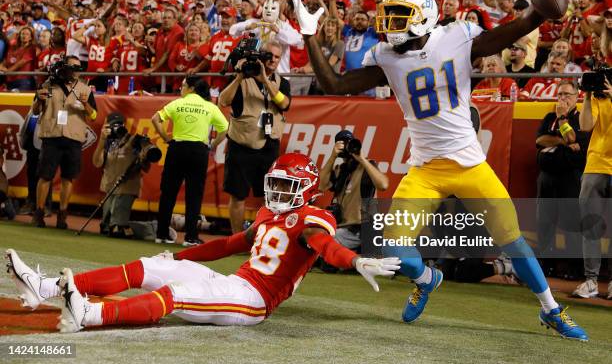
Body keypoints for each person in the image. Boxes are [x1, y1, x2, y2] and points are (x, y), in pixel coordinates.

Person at [289, 0, 589, 340]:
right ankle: (428, 279)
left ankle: (551, 310)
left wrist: (545, 6)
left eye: (399, 16)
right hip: (425, 169)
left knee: (514, 242)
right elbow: (334, 85)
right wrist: (308, 33)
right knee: (395, 252)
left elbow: (514, 30)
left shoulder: (457, 36)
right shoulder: (385, 56)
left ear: (424, 15)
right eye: (390, 15)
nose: (390, 25)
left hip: (469, 164)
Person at [5, 154, 401, 332]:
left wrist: (354, 261)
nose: (277, 191)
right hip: (235, 282)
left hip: (252, 303)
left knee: (176, 292)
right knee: (152, 267)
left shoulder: (315, 220)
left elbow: (324, 245)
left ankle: (89, 316)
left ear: (306, 189)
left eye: (286, 186)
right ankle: (42, 289)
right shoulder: (267, 215)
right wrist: (179, 255)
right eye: (274, 184)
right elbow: (226, 245)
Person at [218, 40, 290, 234]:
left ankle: (265, 236)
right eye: (269, 56)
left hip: (269, 146)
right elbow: (223, 100)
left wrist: (266, 80)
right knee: (237, 194)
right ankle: (237, 238)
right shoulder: (242, 79)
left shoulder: (282, 83)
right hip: (241, 144)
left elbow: (284, 104)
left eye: (277, 57)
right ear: (260, 56)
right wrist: (240, 76)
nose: (273, 60)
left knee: (270, 196)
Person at [152, 77, 228, 246]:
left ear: (192, 88)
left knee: (168, 193)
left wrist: (166, 138)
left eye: (184, 85)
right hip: (198, 151)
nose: (181, 87)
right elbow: (225, 129)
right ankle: (190, 237)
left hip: (177, 149)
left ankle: (161, 234)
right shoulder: (210, 107)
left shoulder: (177, 104)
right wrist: (212, 145)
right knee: (194, 196)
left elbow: (155, 119)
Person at [31, 55, 97, 229]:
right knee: (45, 176)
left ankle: (62, 215)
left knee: (68, 178)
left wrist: (85, 104)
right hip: (51, 135)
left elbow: (94, 115)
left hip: (73, 138)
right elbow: (35, 111)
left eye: (78, 68)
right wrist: (39, 99)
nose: (75, 71)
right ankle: (39, 213)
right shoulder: (47, 85)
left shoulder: (85, 89)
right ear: (64, 67)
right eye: (72, 67)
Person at [535, 81, 588, 278]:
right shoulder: (549, 117)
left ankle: (575, 269)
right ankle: (544, 266)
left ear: (576, 97)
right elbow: (539, 140)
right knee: (544, 222)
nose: (562, 98)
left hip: (570, 176)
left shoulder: (582, 118)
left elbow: (577, 144)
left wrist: (563, 119)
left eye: (567, 94)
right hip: (546, 176)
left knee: (572, 223)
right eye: (559, 94)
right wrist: (562, 141)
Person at [319, 130, 388, 254]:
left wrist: (362, 159)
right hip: (341, 228)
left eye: (348, 143)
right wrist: (332, 157)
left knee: (325, 240)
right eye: (342, 144)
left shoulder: (367, 167)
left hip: (361, 229)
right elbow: (321, 186)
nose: (346, 147)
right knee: (318, 236)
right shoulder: (340, 170)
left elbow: (383, 185)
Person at [574, 79, 612, 300]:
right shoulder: (599, 96)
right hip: (596, 164)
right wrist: (587, 96)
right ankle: (591, 281)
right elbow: (586, 125)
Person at [92, 112, 153, 238]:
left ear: (124, 125)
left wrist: (144, 154)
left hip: (126, 187)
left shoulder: (134, 140)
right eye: (113, 125)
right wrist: (102, 140)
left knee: (117, 227)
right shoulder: (108, 143)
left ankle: (150, 229)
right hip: (110, 189)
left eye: (119, 124)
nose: (116, 128)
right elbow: (97, 163)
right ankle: (141, 227)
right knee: (105, 226)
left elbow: (146, 167)